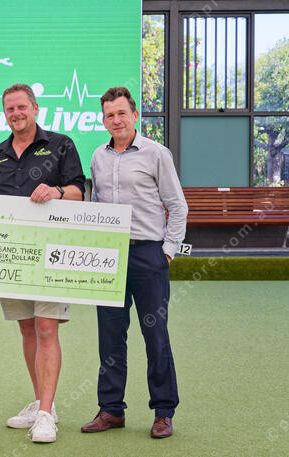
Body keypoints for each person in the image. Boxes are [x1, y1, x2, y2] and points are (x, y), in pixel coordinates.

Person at [82, 86, 188, 439]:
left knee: (155, 335)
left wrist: (167, 251)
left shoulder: (156, 153)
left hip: (148, 255)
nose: (116, 120)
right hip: (109, 256)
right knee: (110, 337)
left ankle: (163, 411)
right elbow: (95, 204)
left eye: (122, 113)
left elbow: (177, 205)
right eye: (110, 115)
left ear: (135, 116)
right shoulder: (98, 156)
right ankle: (111, 410)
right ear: (103, 120)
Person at [0, 84, 86, 443]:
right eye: (10, 109)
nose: (16, 114)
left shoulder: (61, 144)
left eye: (21, 107)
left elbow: (79, 192)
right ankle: (46, 403)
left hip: (52, 253)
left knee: (46, 328)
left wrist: (57, 192)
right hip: (11, 255)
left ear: (35, 108)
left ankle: (44, 417)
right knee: (27, 329)